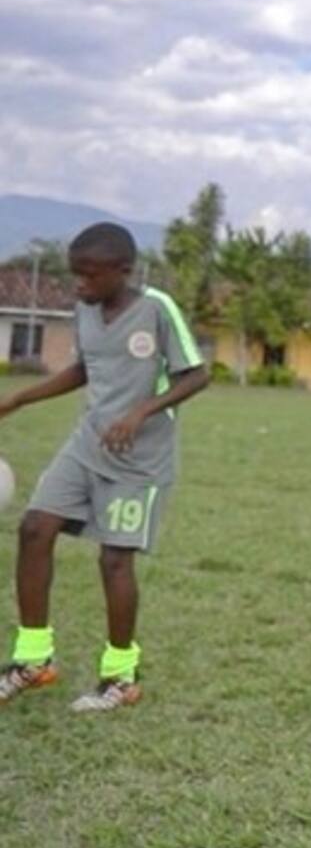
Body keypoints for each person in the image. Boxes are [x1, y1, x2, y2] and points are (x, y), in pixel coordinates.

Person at [0, 222, 209, 711]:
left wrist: (140, 412)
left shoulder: (157, 308)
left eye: (90, 276)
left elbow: (198, 374)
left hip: (139, 461)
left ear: (123, 270)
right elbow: (84, 369)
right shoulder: (85, 310)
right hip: (86, 445)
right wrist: (19, 399)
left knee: (114, 560)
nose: (80, 285)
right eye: (75, 275)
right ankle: (33, 660)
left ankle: (120, 675)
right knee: (34, 528)